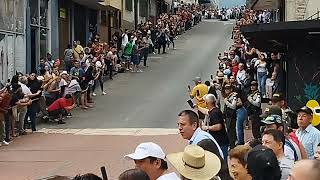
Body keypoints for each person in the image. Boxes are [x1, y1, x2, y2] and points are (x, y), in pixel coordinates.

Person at [196, 94, 229, 160]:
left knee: (222, 161)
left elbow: (218, 126)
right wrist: (197, 107)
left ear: (207, 102)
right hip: (219, 141)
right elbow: (206, 111)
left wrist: (207, 127)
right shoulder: (214, 111)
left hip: (221, 142)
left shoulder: (214, 113)